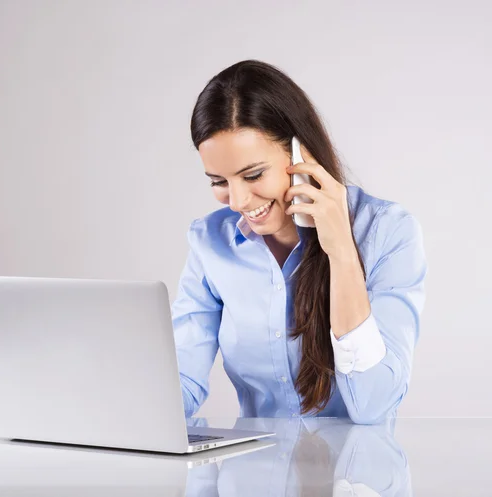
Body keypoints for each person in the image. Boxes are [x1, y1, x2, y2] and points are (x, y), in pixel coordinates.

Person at [171, 59, 427, 424]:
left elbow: (373, 405)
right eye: (219, 182)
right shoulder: (210, 243)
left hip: (356, 476)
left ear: (300, 152)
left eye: (253, 174)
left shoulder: (387, 231)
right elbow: (181, 384)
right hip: (254, 476)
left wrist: (340, 249)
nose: (239, 201)